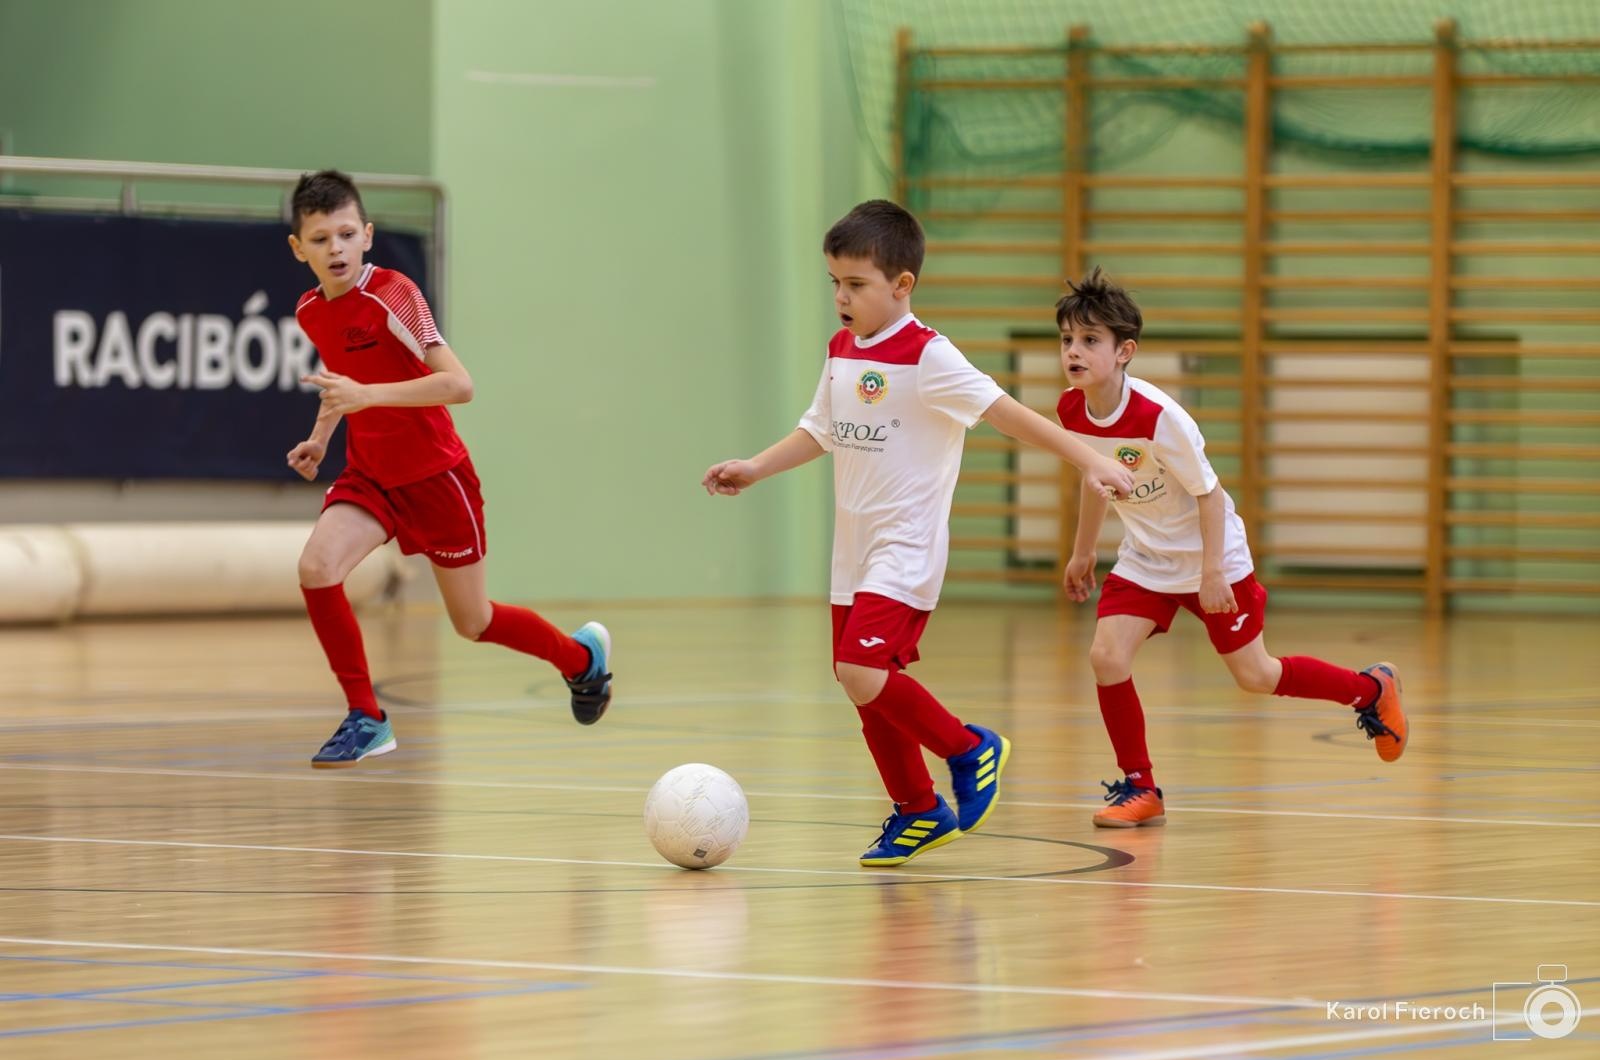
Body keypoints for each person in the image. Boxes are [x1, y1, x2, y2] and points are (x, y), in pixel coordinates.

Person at [702, 200, 1136, 866]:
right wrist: (755, 467)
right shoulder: (842, 349)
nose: (841, 298)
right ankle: (919, 809)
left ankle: (969, 748)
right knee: (857, 682)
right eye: (835, 284)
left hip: (905, 547)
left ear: (902, 285)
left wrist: (1093, 458)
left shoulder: (929, 355)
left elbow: (1010, 415)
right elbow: (821, 428)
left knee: (861, 668)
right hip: (852, 550)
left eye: (856, 285)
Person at [1054, 267, 1408, 828]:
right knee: (1106, 656)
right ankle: (1141, 788)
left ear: (1125, 352)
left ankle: (1370, 689)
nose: (1074, 351)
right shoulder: (1071, 410)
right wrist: (1082, 552)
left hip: (1211, 557)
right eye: (1068, 340)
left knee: (1256, 676)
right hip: (1147, 559)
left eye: (1090, 341)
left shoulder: (1160, 419)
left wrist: (1213, 572)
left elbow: (1211, 497)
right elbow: (1095, 477)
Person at [284, 169, 612, 768]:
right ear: (298, 248)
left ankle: (581, 660)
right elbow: (343, 388)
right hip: (371, 475)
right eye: (321, 238)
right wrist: (319, 437)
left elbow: (459, 385)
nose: (335, 248)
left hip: (437, 479)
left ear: (367, 236)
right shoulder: (311, 310)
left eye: (346, 234)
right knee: (316, 567)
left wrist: (369, 397)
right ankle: (367, 717)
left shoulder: (393, 294)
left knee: (474, 621)